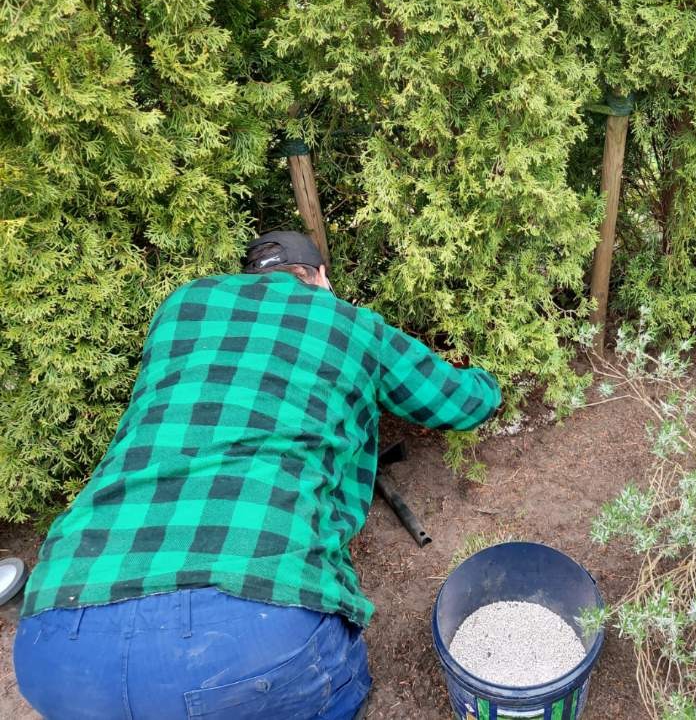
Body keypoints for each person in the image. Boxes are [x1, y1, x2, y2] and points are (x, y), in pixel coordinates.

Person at [14, 231, 501, 719]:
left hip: (57, 637)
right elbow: (460, 402)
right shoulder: (347, 322)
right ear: (319, 277)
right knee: (326, 690)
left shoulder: (183, 305)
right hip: (252, 634)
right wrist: (489, 380)